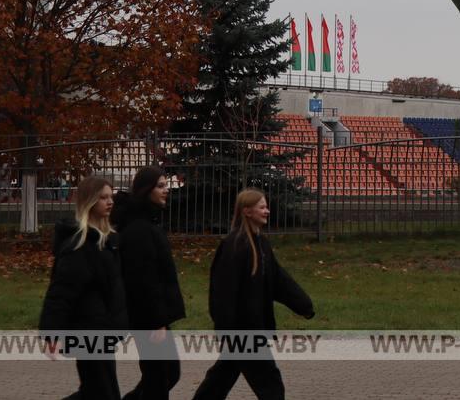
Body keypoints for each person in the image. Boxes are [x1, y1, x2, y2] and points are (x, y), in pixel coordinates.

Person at [192, 189, 315, 400]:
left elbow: (279, 281)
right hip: (244, 331)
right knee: (271, 387)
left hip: (251, 329)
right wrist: (226, 332)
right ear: (247, 211)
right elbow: (223, 294)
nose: (267, 211)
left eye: (266, 206)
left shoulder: (262, 244)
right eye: (262, 207)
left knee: (219, 382)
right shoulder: (234, 246)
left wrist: (303, 305)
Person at [39, 175, 128, 400]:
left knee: (95, 393)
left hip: (103, 331)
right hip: (88, 331)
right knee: (102, 394)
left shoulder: (107, 241)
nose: (110, 202)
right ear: (89, 202)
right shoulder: (79, 246)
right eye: (103, 198)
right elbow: (60, 293)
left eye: (111, 197)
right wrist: (52, 334)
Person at [112, 166, 185, 400]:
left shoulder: (148, 222)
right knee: (158, 378)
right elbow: (143, 279)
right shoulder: (139, 229)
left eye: (166, 186)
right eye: (161, 186)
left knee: (167, 373)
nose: (166, 191)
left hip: (155, 316)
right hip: (147, 318)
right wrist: (156, 322)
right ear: (147, 190)